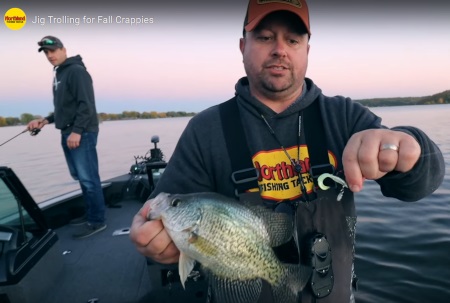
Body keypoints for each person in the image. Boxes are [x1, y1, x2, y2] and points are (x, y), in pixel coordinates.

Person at [130, 1, 445, 302]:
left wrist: (410, 148)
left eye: (292, 40)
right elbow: (160, 209)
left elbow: (420, 184)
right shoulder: (205, 130)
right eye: (265, 37)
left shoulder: (344, 117)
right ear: (243, 47)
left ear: (306, 50)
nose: (279, 49)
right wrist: (152, 236)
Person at [27, 36, 106, 239]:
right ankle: (90, 213)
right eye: (46, 53)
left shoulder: (76, 72)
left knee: (89, 179)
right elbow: (64, 110)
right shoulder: (60, 74)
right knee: (80, 176)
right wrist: (44, 120)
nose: (50, 56)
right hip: (69, 132)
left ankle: (97, 221)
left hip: (81, 133)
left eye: (53, 51)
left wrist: (77, 131)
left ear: (64, 50)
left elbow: (86, 105)